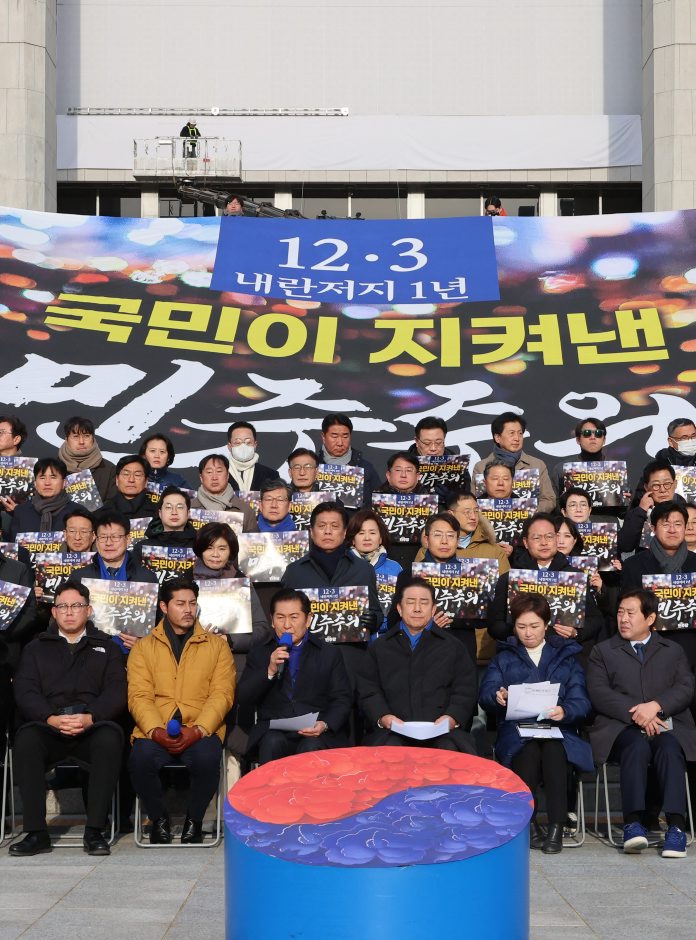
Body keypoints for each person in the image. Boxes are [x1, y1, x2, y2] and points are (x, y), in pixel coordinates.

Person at [9, 581, 126, 857]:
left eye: (76, 606)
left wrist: (91, 717)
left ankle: (95, 831)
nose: (69, 612)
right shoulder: (36, 648)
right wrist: (49, 717)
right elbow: (25, 690)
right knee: (26, 740)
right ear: (54, 612)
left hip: (91, 726)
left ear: (89, 610)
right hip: (49, 726)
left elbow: (117, 691)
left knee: (110, 739)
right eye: (62, 606)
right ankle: (36, 833)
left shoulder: (107, 647)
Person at [479, 593, 593, 853]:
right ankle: (528, 824)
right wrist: (498, 697)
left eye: (534, 626)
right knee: (526, 750)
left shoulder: (565, 655)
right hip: (517, 730)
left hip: (557, 728)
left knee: (554, 751)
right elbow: (486, 693)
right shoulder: (504, 657)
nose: (528, 633)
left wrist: (566, 710)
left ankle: (556, 825)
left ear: (547, 624)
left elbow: (581, 699)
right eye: (521, 626)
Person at [587, 588, 696, 858]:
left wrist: (656, 706)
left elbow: (685, 687)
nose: (623, 619)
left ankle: (676, 826)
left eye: (631, 613)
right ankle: (633, 823)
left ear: (650, 618)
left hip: (666, 723)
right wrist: (638, 713)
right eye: (620, 612)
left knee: (669, 748)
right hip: (620, 727)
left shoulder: (672, 650)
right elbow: (599, 693)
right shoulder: (603, 651)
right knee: (635, 745)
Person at [127, 578, 235, 844]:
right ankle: (159, 820)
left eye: (192, 603)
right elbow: (139, 696)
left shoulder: (217, 646)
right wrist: (155, 731)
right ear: (164, 607)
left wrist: (199, 730)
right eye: (180, 604)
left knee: (208, 758)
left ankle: (194, 822)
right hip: (156, 728)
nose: (188, 609)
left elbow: (222, 694)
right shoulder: (143, 647)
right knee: (140, 759)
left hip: (199, 727)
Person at [358, 577, 477, 752]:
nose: (417, 608)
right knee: (389, 751)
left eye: (424, 602)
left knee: (449, 750)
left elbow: (465, 689)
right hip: (392, 731)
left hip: (442, 732)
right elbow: (368, 689)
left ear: (433, 609)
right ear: (399, 608)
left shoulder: (453, 647)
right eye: (410, 602)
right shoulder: (380, 647)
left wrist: (452, 717)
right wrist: (383, 716)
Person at [237, 588, 352, 764]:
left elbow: (342, 698)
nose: (287, 625)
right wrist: (269, 671)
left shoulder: (328, 653)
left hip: (317, 732)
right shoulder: (260, 653)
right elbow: (244, 697)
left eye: (294, 617)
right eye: (280, 617)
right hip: (274, 731)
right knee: (272, 742)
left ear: (308, 619)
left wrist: (324, 724)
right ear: (272, 620)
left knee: (311, 746)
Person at [281, 500, 382, 679]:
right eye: (321, 526)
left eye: (335, 526)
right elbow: (283, 617)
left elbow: (376, 612)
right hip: (307, 663)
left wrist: (373, 620)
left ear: (345, 532)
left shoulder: (363, 570)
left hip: (352, 663)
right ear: (311, 532)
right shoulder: (294, 572)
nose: (328, 531)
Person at [489, 512, 604, 645]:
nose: (544, 543)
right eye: (537, 538)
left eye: (549, 536)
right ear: (526, 542)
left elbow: (595, 620)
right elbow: (494, 626)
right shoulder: (509, 579)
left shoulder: (574, 577)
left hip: (564, 650)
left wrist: (576, 633)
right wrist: (516, 630)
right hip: (520, 650)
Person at [621, 501, 696, 678]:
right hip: (649, 650)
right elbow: (626, 611)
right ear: (653, 528)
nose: (672, 530)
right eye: (666, 524)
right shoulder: (633, 565)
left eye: (678, 524)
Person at [70, 508, 158, 652]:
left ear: (128, 539)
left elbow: (160, 624)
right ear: (95, 538)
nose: (108, 543)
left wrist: (144, 643)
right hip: (89, 655)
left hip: (134, 657)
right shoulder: (79, 577)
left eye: (115, 537)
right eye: (103, 537)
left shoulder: (146, 578)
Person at [192, 521, 271, 671]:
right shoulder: (184, 582)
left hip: (235, 664)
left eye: (222, 548)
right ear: (200, 549)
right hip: (192, 663)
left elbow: (262, 630)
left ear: (231, 551)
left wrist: (229, 640)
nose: (215, 554)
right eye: (209, 548)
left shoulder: (241, 583)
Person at [473, 412, 556, 513]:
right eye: (511, 433)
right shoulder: (481, 467)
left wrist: (529, 514)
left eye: (520, 433)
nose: (517, 438)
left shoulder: (537, 465)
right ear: (497, 437)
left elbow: (549, 499)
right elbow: (473, 503)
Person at [346, 509, 402, 639]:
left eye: (372, 532)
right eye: (361, 533)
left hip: (388, 639)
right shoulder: (343, 567)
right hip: (352, 639)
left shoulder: (395, 568)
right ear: (352, 539)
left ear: (380, 538)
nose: (367, 538)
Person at [618, 460, 684, 555]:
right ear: (646, 487)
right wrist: (641, 511)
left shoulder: (687, 510)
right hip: (646, 563)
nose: (662, 490)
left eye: (667, 484)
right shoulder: (639, 511)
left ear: (675, 484)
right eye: (656, 485)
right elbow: (625, 546)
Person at [10, 457, 82, 538]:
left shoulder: (77, 512)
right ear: (35, 483)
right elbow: (14, 542)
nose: (47, 483)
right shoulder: (21, 511)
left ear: (64, 483)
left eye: (53, 477)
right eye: (42, 478)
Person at [319, 413, 381, 505]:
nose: (340, 443)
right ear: (323, 437)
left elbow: (379, 503)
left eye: (345, 436)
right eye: (334, 436)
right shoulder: (313, 467)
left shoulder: (365, 468)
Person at [57, 416, 117, 502]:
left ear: (93, 438)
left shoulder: (109, 469)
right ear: (66, 439)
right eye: (76, 436)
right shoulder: (54, 468)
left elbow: (113, 503)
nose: (81, 442)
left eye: (86, 436)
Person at [191, 453, 258, 531]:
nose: (214, 477)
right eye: (209, 472)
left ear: (227, 475)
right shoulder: (188, 508)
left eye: (219, 471)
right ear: (201, 478)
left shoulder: (245, 510)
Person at [408, 415, 471, 496]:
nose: (433, 448)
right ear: (417, 441)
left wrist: (453, 498)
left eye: (438, 442)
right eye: (427, 443)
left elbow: (467, 496)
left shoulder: (458, 464)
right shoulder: (403, 463)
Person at [131, 486, 197, 562]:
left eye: (180, 507)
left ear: (188, 513)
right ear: (160, 513)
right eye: (168, 507)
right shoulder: (142, 548)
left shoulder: (200, 547)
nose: (174, 512)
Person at [550, 418, 609, 497]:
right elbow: (553, 502)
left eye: (598, 433)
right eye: (587, 433)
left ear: (604, 440)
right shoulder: (561, 470)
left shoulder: (618, 469)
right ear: (578, 440)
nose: (593, 437)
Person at [226, 421, 277, 492]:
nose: (243, 446)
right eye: (237, 442)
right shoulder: (219, 474)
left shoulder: (271, 475)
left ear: (255, 445)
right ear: (229, 446)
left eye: (248, 442)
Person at [103, 455, 154, 522]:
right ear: (117, 480)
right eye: (126, 474)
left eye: (137, 475)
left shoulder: (158, 510)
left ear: (146, 481)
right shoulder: (104, 511)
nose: (131, 480)